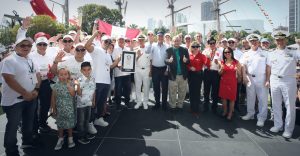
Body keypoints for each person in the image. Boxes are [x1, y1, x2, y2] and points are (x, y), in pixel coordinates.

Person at [1, 36, 40, 156]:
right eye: (23, 45)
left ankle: (27, 142)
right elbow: (9, 79)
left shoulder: (30, 59)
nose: (26, 48)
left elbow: (37, 74)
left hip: (30, 98)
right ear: (16, 47)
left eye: (29, 46)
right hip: (14, 101)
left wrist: (36, 90)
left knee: (28, 123)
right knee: (12, 127)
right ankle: (11, 151)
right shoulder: (9, 60)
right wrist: (25, 93)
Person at [266, 30, 300, 138]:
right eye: (277, 39)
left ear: (285, 40)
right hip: (275, 79)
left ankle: (288, 129)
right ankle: (278, 125)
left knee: (289, 106)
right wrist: (268, 79)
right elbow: (268, 67)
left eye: (282, 39)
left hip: (289, 80)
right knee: (275, 104)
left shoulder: (294, 51)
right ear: (275, 41)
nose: (279, 41)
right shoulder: (271, 53)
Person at [85, 31, 120, 130]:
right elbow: (86, 45)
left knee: (102, 102)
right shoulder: (96, 49)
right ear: (101, 41)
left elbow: (110, 66)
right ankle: (90, 122)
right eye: (105, 41)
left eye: (109, 42)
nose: (107, 43)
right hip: (97, 81)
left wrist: (117, 60)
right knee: (94, 103)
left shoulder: (108, 54)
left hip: (106, 82)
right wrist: (95, 34)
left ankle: (99, 118)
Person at [29, 36, 56, 135]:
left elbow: (52, 70)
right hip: (33, 83)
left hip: (45, 83)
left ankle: (42, 123)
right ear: (36, 45)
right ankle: (34, 127)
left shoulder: (50, 56)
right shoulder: (30, 56)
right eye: (40, 44)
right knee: (33, 106)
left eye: (44, 44)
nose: (42, 46)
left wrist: (51, 74)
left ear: (47, 45)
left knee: (45, 105)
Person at [241, 34, 269, 127]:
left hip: (262, 78)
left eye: (255, 41)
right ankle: (250, 114)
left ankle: (261, 118)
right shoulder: (246, 54)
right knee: (250, 97)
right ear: (249, 42)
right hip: (250, 78)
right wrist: (244, 76)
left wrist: (268, 79)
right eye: (252, 41)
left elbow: (269, 67)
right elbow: (243, 66)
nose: (254, 43)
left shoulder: (265, 53)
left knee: (262, 99)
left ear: (259, 42)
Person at [145, 31, 169, 110]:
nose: (160, 37)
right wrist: (150, 41)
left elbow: (169, 59)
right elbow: (147, 52)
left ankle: (164, 104)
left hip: (164, 69)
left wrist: (167, 69)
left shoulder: (167, 46)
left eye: (161, 36)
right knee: (156, 88)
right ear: (157, 37)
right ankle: (157, 103)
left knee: (165, 87)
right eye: (159, 36)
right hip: (155, 69)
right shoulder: (153, 45)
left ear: (163, 37)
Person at [165, 36, 190, 109]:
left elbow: (188, 61)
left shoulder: (185, 50)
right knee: (172, 92)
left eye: (178, 41)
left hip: (183, 75)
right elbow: (165, 60)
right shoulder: (168, 50)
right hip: (173, 75)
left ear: (180, 41)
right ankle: (172, 105)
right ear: (172, 42)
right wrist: (168, 61)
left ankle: (180, 104)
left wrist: (186, 60)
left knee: (182, 91)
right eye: (175, 41)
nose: (176, 42)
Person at [219, 47, 242, 120]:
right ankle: (225, 111)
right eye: (225, 52)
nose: (227, 54)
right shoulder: (223, 62)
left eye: (228, 52)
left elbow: (240, 75)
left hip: (232, 83)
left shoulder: (236, 62)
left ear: (231, 52)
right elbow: (219, 73)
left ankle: (230, 113)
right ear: (224, 54)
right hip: (223, 82)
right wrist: (221, 69)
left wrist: (237, 71)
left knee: (232, 99)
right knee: (224, 98)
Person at [76, 62, 96, 144]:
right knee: (81, 121)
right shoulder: (79, 80)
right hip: (81, 105)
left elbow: (94, 91)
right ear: (81, 71)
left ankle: (85, 133)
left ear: (91, 70)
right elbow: (79, 93)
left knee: (87, 119)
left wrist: (93, 101)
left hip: (89, 103)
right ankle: (81, 137)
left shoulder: (92, 79)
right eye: (84, 70)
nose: (87, 72)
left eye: (88, 70)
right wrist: (78, 85)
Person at [187, 41, 209, 116]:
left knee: (196, 92)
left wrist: (209, 59)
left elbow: (207, 63)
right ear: (191, 48)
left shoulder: (202, 56)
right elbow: (186, 64)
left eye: (197, 46)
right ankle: (192, 107)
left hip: (198, 75)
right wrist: (190, 67)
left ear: (199, 48)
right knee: (191, 91)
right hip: (190, 75)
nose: (195, 48)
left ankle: (196, 109)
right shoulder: (189, 55)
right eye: (193, 47)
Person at [202, 37, 222, 113]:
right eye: (211, 43)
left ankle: (214, 107)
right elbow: (202, 62)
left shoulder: (220, 51)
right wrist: (206, 61)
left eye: (214, 43)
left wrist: (218, 63)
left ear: (216, 43)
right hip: (207, 72)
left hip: (215, 73)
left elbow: (223, 62)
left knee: (215, 91)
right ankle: (205, 106)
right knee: (206, 90)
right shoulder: (205, 51)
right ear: (208, 44)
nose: (212, 44)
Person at [134, 34, 152, 109]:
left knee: (146, 86)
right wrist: (138, 55)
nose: (141, 41)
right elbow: (132, 62)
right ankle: (139, 102)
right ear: (138, 41)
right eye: (139, 40)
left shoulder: (148, 49)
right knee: (138, 86)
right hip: (137, 69)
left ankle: (145, 102)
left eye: (142, 39)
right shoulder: (135, 49)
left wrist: (151, 70)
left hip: (146, 69)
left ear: (144, 40)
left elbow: (151, 61)